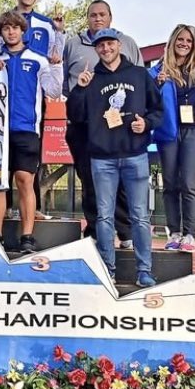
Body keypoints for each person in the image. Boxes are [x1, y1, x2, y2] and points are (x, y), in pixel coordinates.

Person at [66, 29, 163, 287]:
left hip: (135, 155)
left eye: (109, 44)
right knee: (104, 217)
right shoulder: (92, 79)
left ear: (118, 45)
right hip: (102, 158)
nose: (106, 49)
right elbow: (75, 116)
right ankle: (108, 269)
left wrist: (147, 123)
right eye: (101, 46)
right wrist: (79, 89)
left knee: (140, 216)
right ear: (96, 49)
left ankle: (144, 270)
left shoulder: (139, 75)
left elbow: (158, 110)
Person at [0, 11, 63, 252]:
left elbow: (54, 91)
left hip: (27, 129)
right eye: (6, 29)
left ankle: (27, 237)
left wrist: (58, 65)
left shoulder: (38, 59)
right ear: (1, 33)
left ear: (23, 31)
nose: (11, 32)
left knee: (25, 180)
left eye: (15, 28)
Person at [62, 0, 141, 246]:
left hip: (115, 125)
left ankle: (125, 232)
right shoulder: (73, 44)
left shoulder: (127, 43)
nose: (97, 18)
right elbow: (65, 83)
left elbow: (138, 81)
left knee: (119, 180)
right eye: (93, 15)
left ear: (110, 17)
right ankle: (96, 231)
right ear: (87, 18)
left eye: (102, 14)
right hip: (83, 124)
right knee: (89, 179)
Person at [151, 24, 195, 254]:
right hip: (168, 132)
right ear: (172, 42)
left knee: (188, 182)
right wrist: (158, 83)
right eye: (180, 40)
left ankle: (189, 234)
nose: (184, 44)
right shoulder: (158, 70)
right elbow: (147, 97)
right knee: (169, 184)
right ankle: (174, 232)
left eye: (188, 40)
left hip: (193, 131)